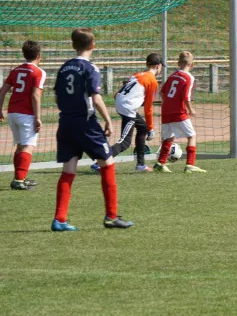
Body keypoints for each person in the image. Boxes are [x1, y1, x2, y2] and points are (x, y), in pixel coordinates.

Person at [51, 28, 133, 231]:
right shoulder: (91, 68)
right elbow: (95, 97)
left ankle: (59, 219)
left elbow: (56, 96)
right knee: (108, 164)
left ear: (73, 45)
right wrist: (108, 120)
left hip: (66, 122)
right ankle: (111, 217)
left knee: (68, 170)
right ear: (93, 45)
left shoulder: (64, 67)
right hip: (86, 124)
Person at [90, 53, 162, 173]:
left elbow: (118, 93)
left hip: (123, 102)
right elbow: (148, 108)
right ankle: (100, 163)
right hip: (127, 107)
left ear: (147, 64)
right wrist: (151, 128)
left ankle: (141, 165)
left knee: (142, 128)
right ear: (158, 66)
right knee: (125, 142)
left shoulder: (138, 75)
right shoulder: (152, 81)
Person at [0, 41, 46, 190]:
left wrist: (0, 108)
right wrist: (38, 117)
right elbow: (35, 95)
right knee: (28, 147)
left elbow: (3, 90)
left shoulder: (16, 70)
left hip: (12, 112)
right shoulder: (39, 72)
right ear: (39, 55)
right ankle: (19, 180)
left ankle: (20, 177)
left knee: (20, 146)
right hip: (26, 114)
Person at [153, 51, 206, 173]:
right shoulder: (189, 77)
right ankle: (190, 165)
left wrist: (168, 103)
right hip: (178, 111)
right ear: (192, 64)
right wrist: (191, 109)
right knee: (191, 135)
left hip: (166, 110)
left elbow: (162, 92)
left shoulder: (173, 75)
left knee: (168, 137)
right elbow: (186, 97)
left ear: (178, 63)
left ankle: (160, 163)